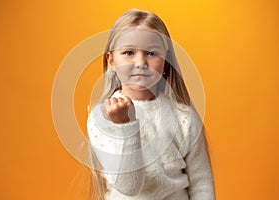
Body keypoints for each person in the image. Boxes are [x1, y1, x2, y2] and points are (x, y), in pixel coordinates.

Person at [87, 9, 215, 200]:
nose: (141, 62)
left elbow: (201, 184)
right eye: (129, 52)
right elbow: (129, 186)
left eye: (152, 53)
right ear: (112, 61)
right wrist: (126, 126)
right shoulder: (103, 118)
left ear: (166, 61)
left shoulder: (184, 118)